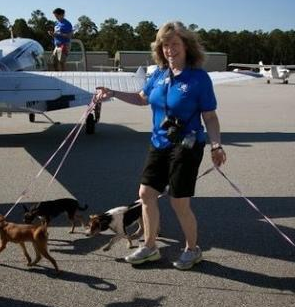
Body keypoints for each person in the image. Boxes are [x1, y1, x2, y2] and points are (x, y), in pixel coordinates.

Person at [95, 21, 226, 270]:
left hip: (187, 146)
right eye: (165, 45)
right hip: (159, 142)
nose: (169, 50)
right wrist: (112, 93)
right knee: (146, 194)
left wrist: (216, 145)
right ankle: (150, 246)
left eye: (174, 44)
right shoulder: (158, 74)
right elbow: (142, 98)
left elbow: (210, 116)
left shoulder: (199, 78)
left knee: (179, 202)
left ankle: (192, 249)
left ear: (186, 46)